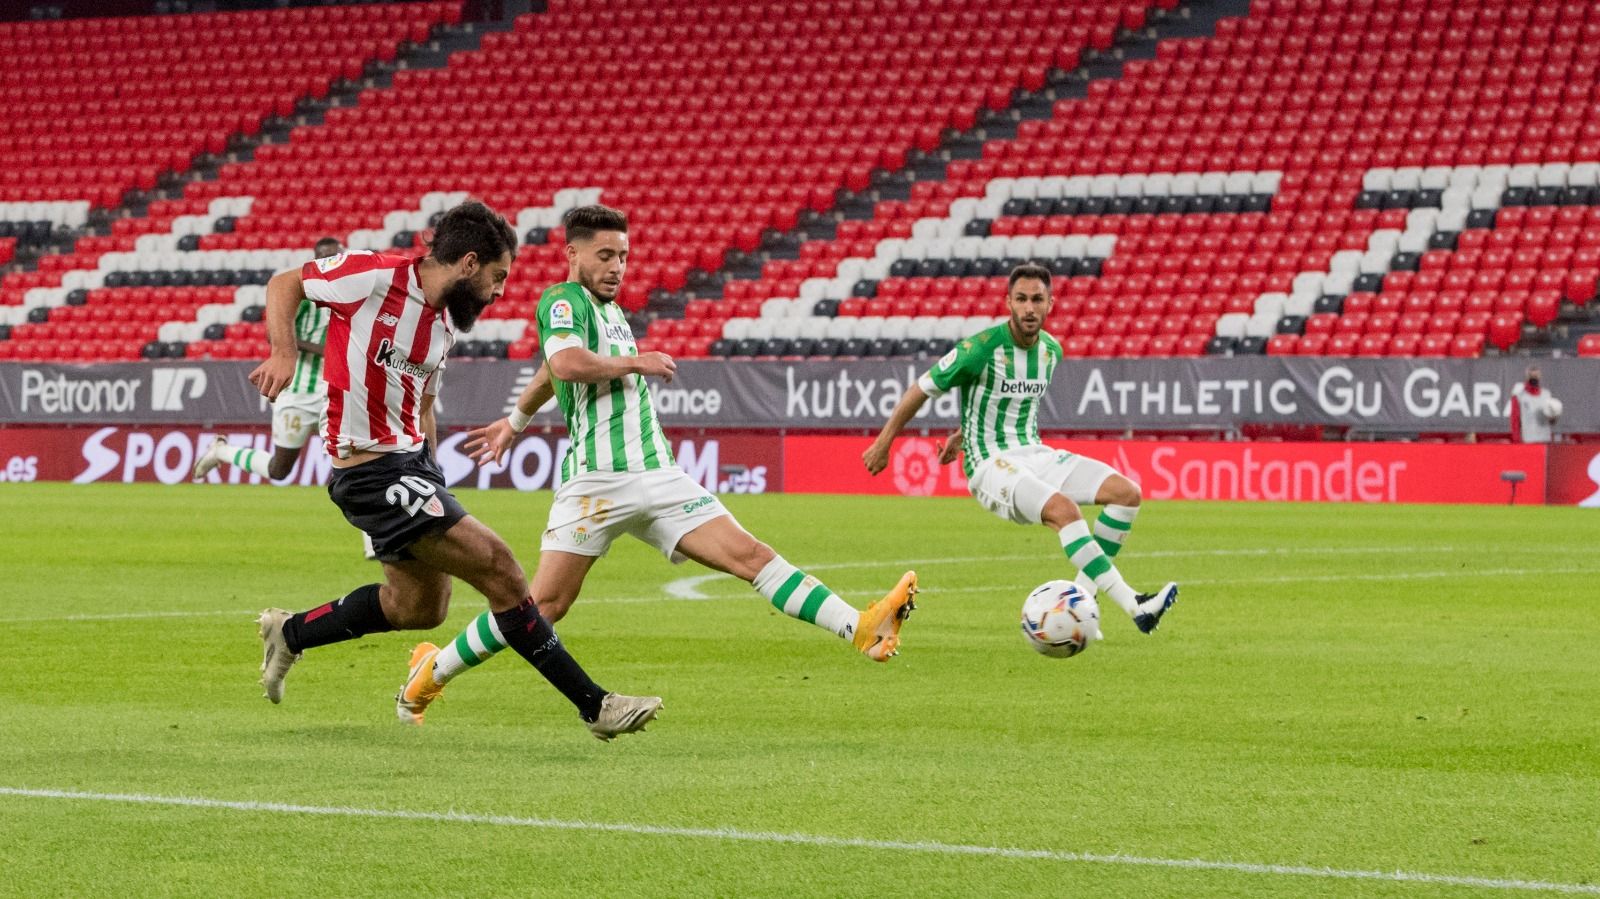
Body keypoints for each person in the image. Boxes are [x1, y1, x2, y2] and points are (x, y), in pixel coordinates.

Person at [394, 204, 918, 725]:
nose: (617, 266)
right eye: (604, 255)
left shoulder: (611, 313)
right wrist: (635, 362)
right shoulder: (562, 299)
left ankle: (862, 627)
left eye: (623, 255)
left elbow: (551, 374)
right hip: (597, 483)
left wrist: (515, 422)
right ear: (572, 253)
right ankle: (431, 672)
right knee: (542, 606)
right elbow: (564, 364)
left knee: (751, 556)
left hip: (659, 476)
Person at [246, 200, 660, 741]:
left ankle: (291, 632)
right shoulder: (373, 276)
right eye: (497, 277)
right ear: (468, 263)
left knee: (419, 607)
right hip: (369, 473)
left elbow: (422, 406)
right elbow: (285, 284)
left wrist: (432, 473)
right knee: (503, 569)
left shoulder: (442, 324)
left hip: (410, 464)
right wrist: (282, 351)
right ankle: (595, 706)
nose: (500, 291)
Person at [862, 262, 1178, 635]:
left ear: (1051, 304)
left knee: (1127, 494)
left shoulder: (1050, 351)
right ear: (1008, 302)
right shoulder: (979, 349)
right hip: (990, 465)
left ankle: (1080, 601)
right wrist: (884, 443)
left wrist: (960, 434)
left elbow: (1002, 405)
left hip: (1035, 453)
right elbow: (922, 388)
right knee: (1064, 510)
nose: (1029, 308)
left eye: (1037, 300)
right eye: (1022, 299)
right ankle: (1135, 605)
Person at [194, 237, 345, 484]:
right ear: (316, 259)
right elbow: (273, 334)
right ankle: (221, 451)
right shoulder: (304, 295)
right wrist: (324, 350)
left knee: (357, 454)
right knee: (280, 470)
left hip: (335, 393)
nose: (331, 263)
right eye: (325, 258)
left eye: (335, 257)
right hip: (299, 394)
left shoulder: (349, 294)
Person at [1510, 364, 1562, 444]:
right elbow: (1515, 419)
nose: (1534, 378)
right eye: (1531, 375)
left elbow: (1552, 421)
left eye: (1536, 375)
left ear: (1540, 376)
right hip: (1528, 441)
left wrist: (1554, 416)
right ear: (1527, 377)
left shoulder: (1546, 394)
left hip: (1545, 440)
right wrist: (1516, 441)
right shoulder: (1519, 395)